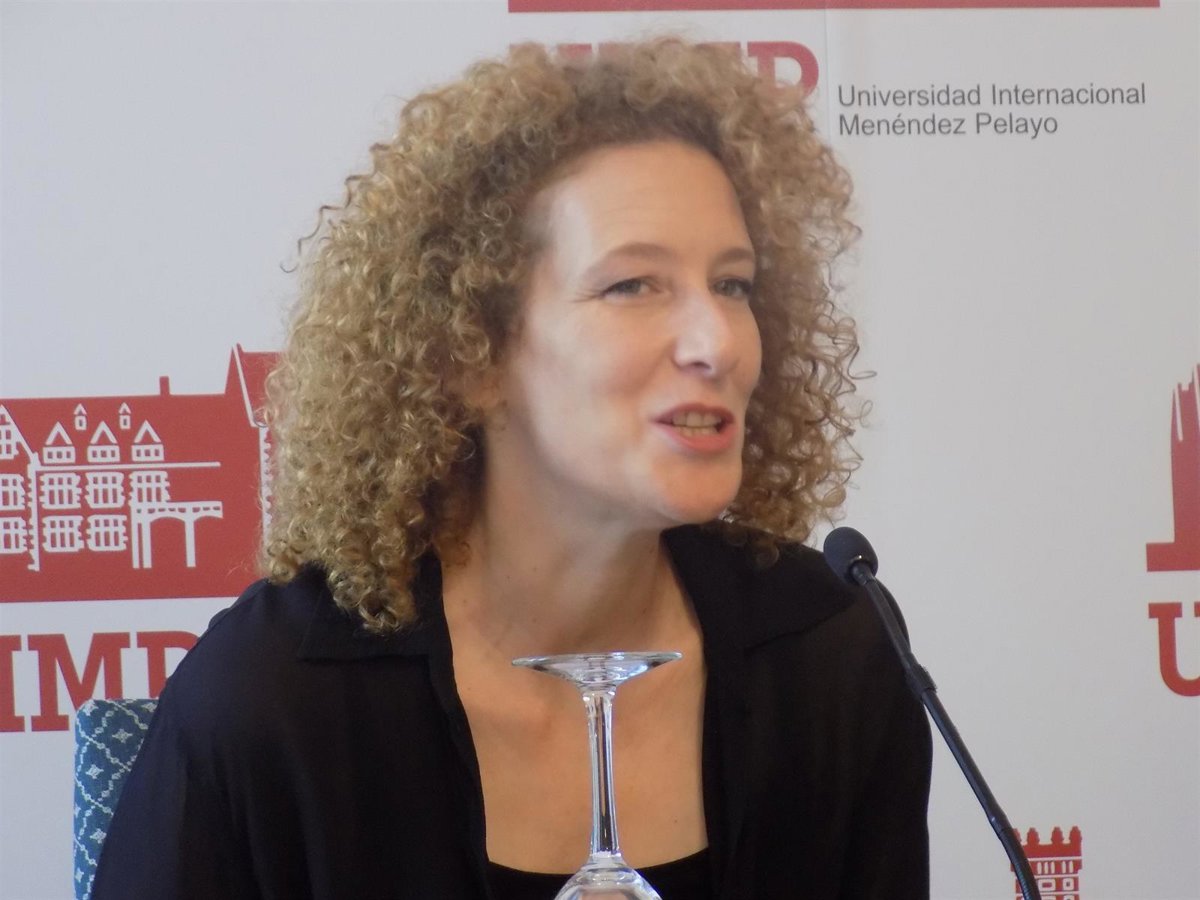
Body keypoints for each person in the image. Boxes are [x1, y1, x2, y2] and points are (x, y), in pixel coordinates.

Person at [92, 38, 931, 899]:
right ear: (472, 354)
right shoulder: (276, 698)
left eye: (733, 285)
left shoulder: (829, 658)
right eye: (633, 285)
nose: (717, 342)